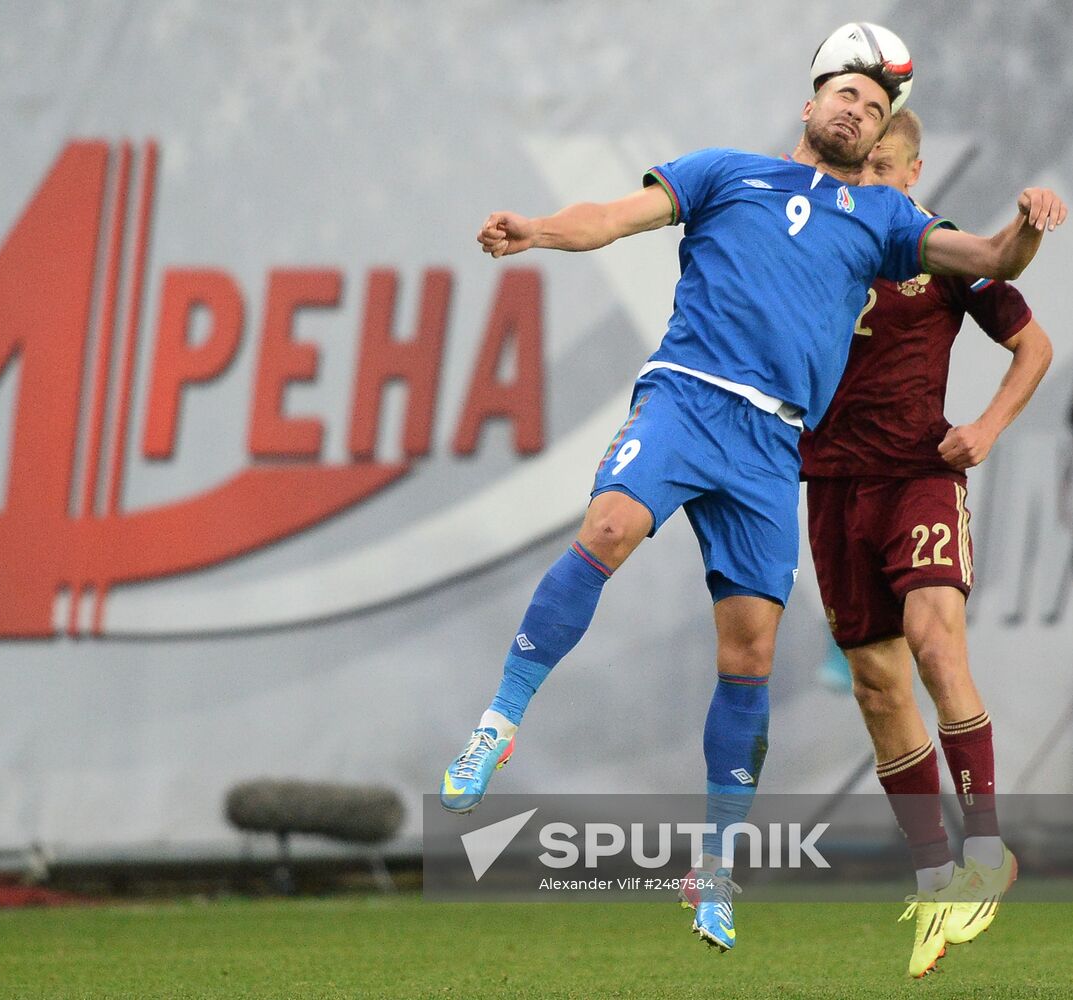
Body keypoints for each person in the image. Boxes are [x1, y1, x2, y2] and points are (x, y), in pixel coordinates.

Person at [441, 63, 1065, 953]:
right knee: (626, 536)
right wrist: (537, 229)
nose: (860, 129)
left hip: (838, 457)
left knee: (835, 647)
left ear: (903, 164)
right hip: (743, 430)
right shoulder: (735, 176)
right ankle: (497, 726)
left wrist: (1026, 236)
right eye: (848, 103)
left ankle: (795, 866)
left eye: (879, 123)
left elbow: (998, 272)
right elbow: (615, 217)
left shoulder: (896, 228)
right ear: (810, 105)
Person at [801, 108, 1053, 978]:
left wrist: (983, 427)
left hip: (918, 476)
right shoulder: (808, 250)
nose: (863, 184)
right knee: (875, 685)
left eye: (880, 170)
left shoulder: (933, 252)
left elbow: (1030, 341)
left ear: (911, 175)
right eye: (853, 170)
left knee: (933, 641)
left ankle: (985, 848)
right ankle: (934, 873)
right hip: (830, 488)